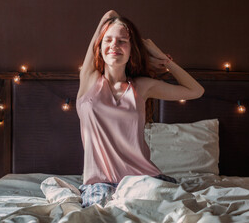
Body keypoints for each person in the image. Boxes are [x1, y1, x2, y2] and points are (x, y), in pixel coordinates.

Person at [76, 10, 204, 208]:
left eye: (122, 41)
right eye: (108, 40)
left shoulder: (142, 86)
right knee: (98, 213)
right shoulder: (89, 79)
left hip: (142, 179)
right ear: (99, 46)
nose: (114, 46)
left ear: (131, 49)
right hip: (100, 182)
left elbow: (196, 91)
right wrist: (123, 30)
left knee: (174, 207)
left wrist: (162, 58)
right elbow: (110, 13)